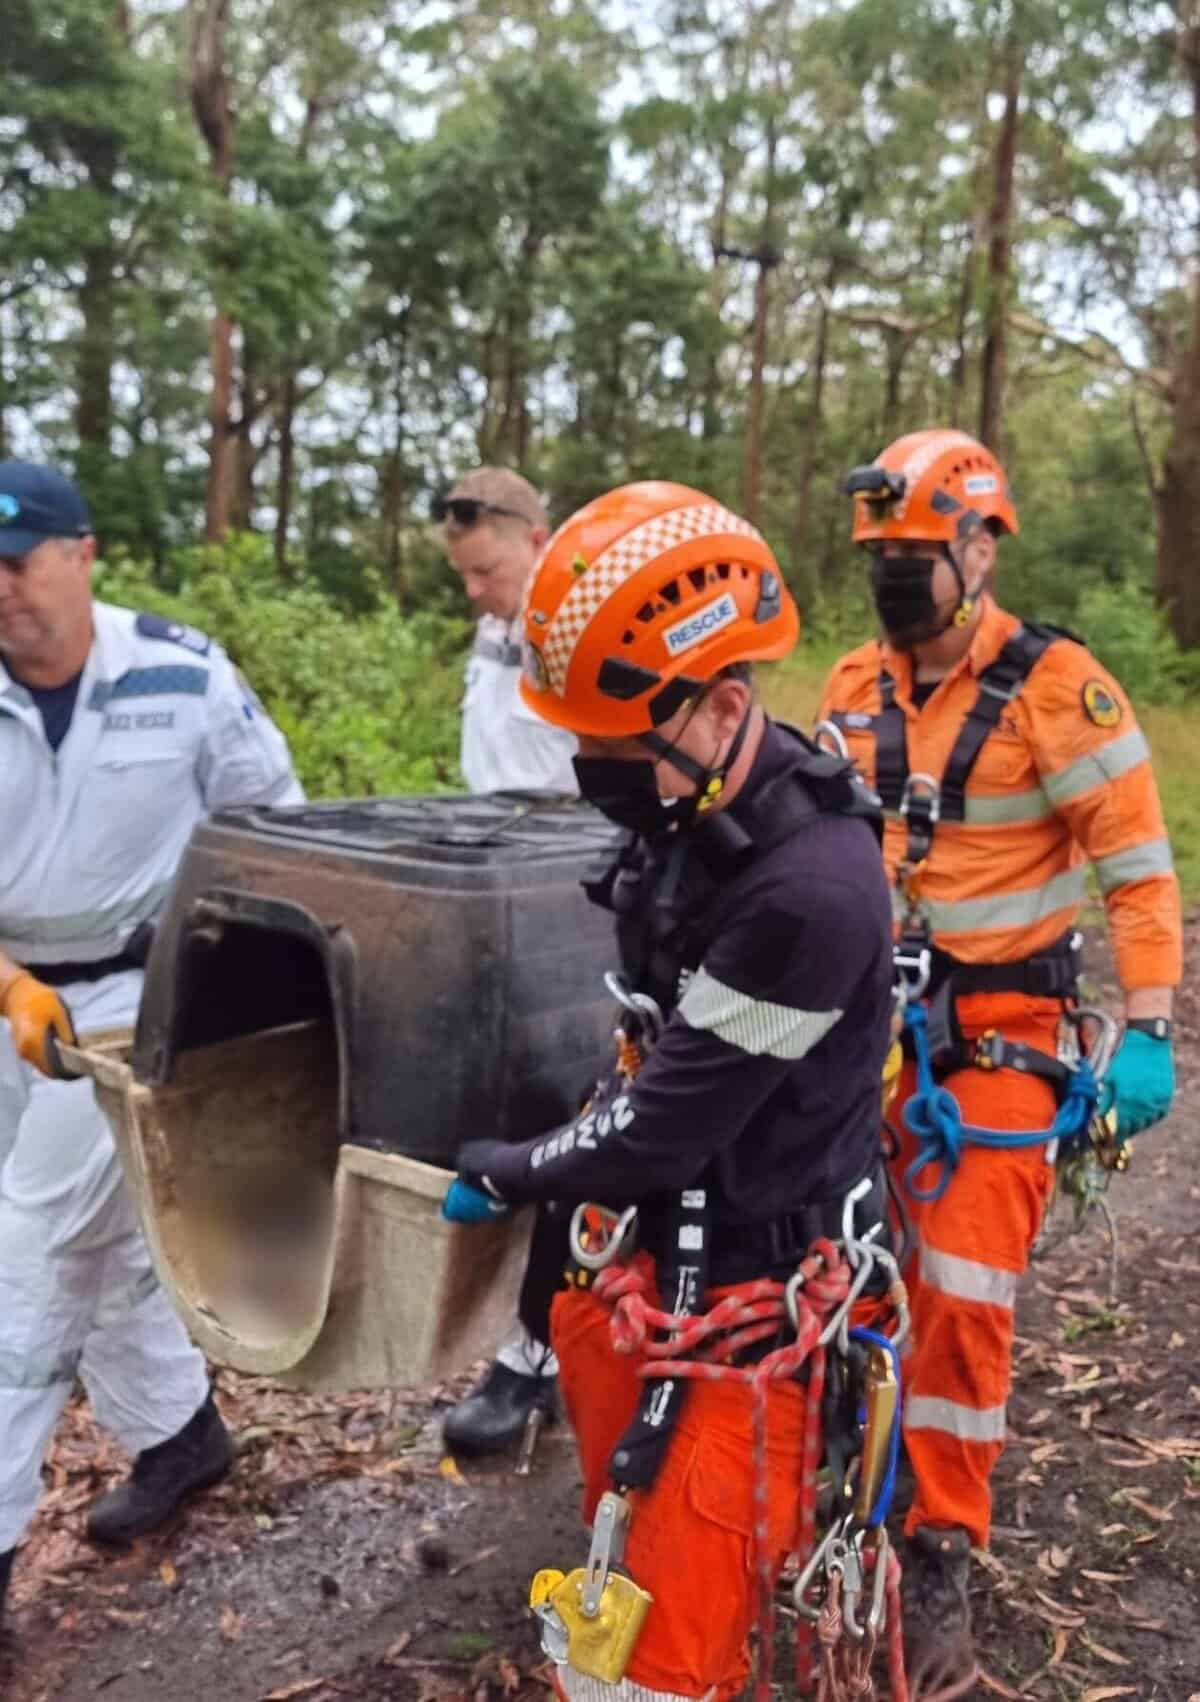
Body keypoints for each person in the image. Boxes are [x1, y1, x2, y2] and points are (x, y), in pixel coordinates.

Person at [443, 480, 896, 1702]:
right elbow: (645, 1045)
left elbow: (660, 1127)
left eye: (611, 742)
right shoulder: (692, 807)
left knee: (659, 1661)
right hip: (651, 1269)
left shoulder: (810, 892)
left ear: (724, 706)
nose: (590, 766)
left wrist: (508, 1169)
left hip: (752, 1308)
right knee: (616, 1546)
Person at [819, 429, 1182, 1699]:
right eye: (880, 558)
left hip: (999, 1035)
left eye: (917, 555)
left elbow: (1139, 874)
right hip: (865, 1029)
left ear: (981, 548)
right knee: (832, 1259)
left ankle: (940, 1549)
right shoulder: (850, 686)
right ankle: (841, 1471)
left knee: (964, 1285)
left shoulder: (1061, 691)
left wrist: (1149, 1027)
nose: (896, 579)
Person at [0, 459, 303, 1622]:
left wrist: (253, 1003)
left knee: (27, 1266)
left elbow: (276, 832)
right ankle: (180, 1432)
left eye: (18, 562)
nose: (2, 589)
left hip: (141, 1000)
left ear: (81, 556)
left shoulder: (182, 676)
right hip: (16, 997)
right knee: (103, 1244)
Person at [436, 468, 579, 1456]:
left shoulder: (581, 635)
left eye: (486, 570)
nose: (475, 590)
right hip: (497, 892)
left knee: (566, 1123)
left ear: (537, 540)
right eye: (463, 574)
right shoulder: (495, 633)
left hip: (575, 898)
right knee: (506, 1115)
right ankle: (535, 1335)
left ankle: (534, 1353)